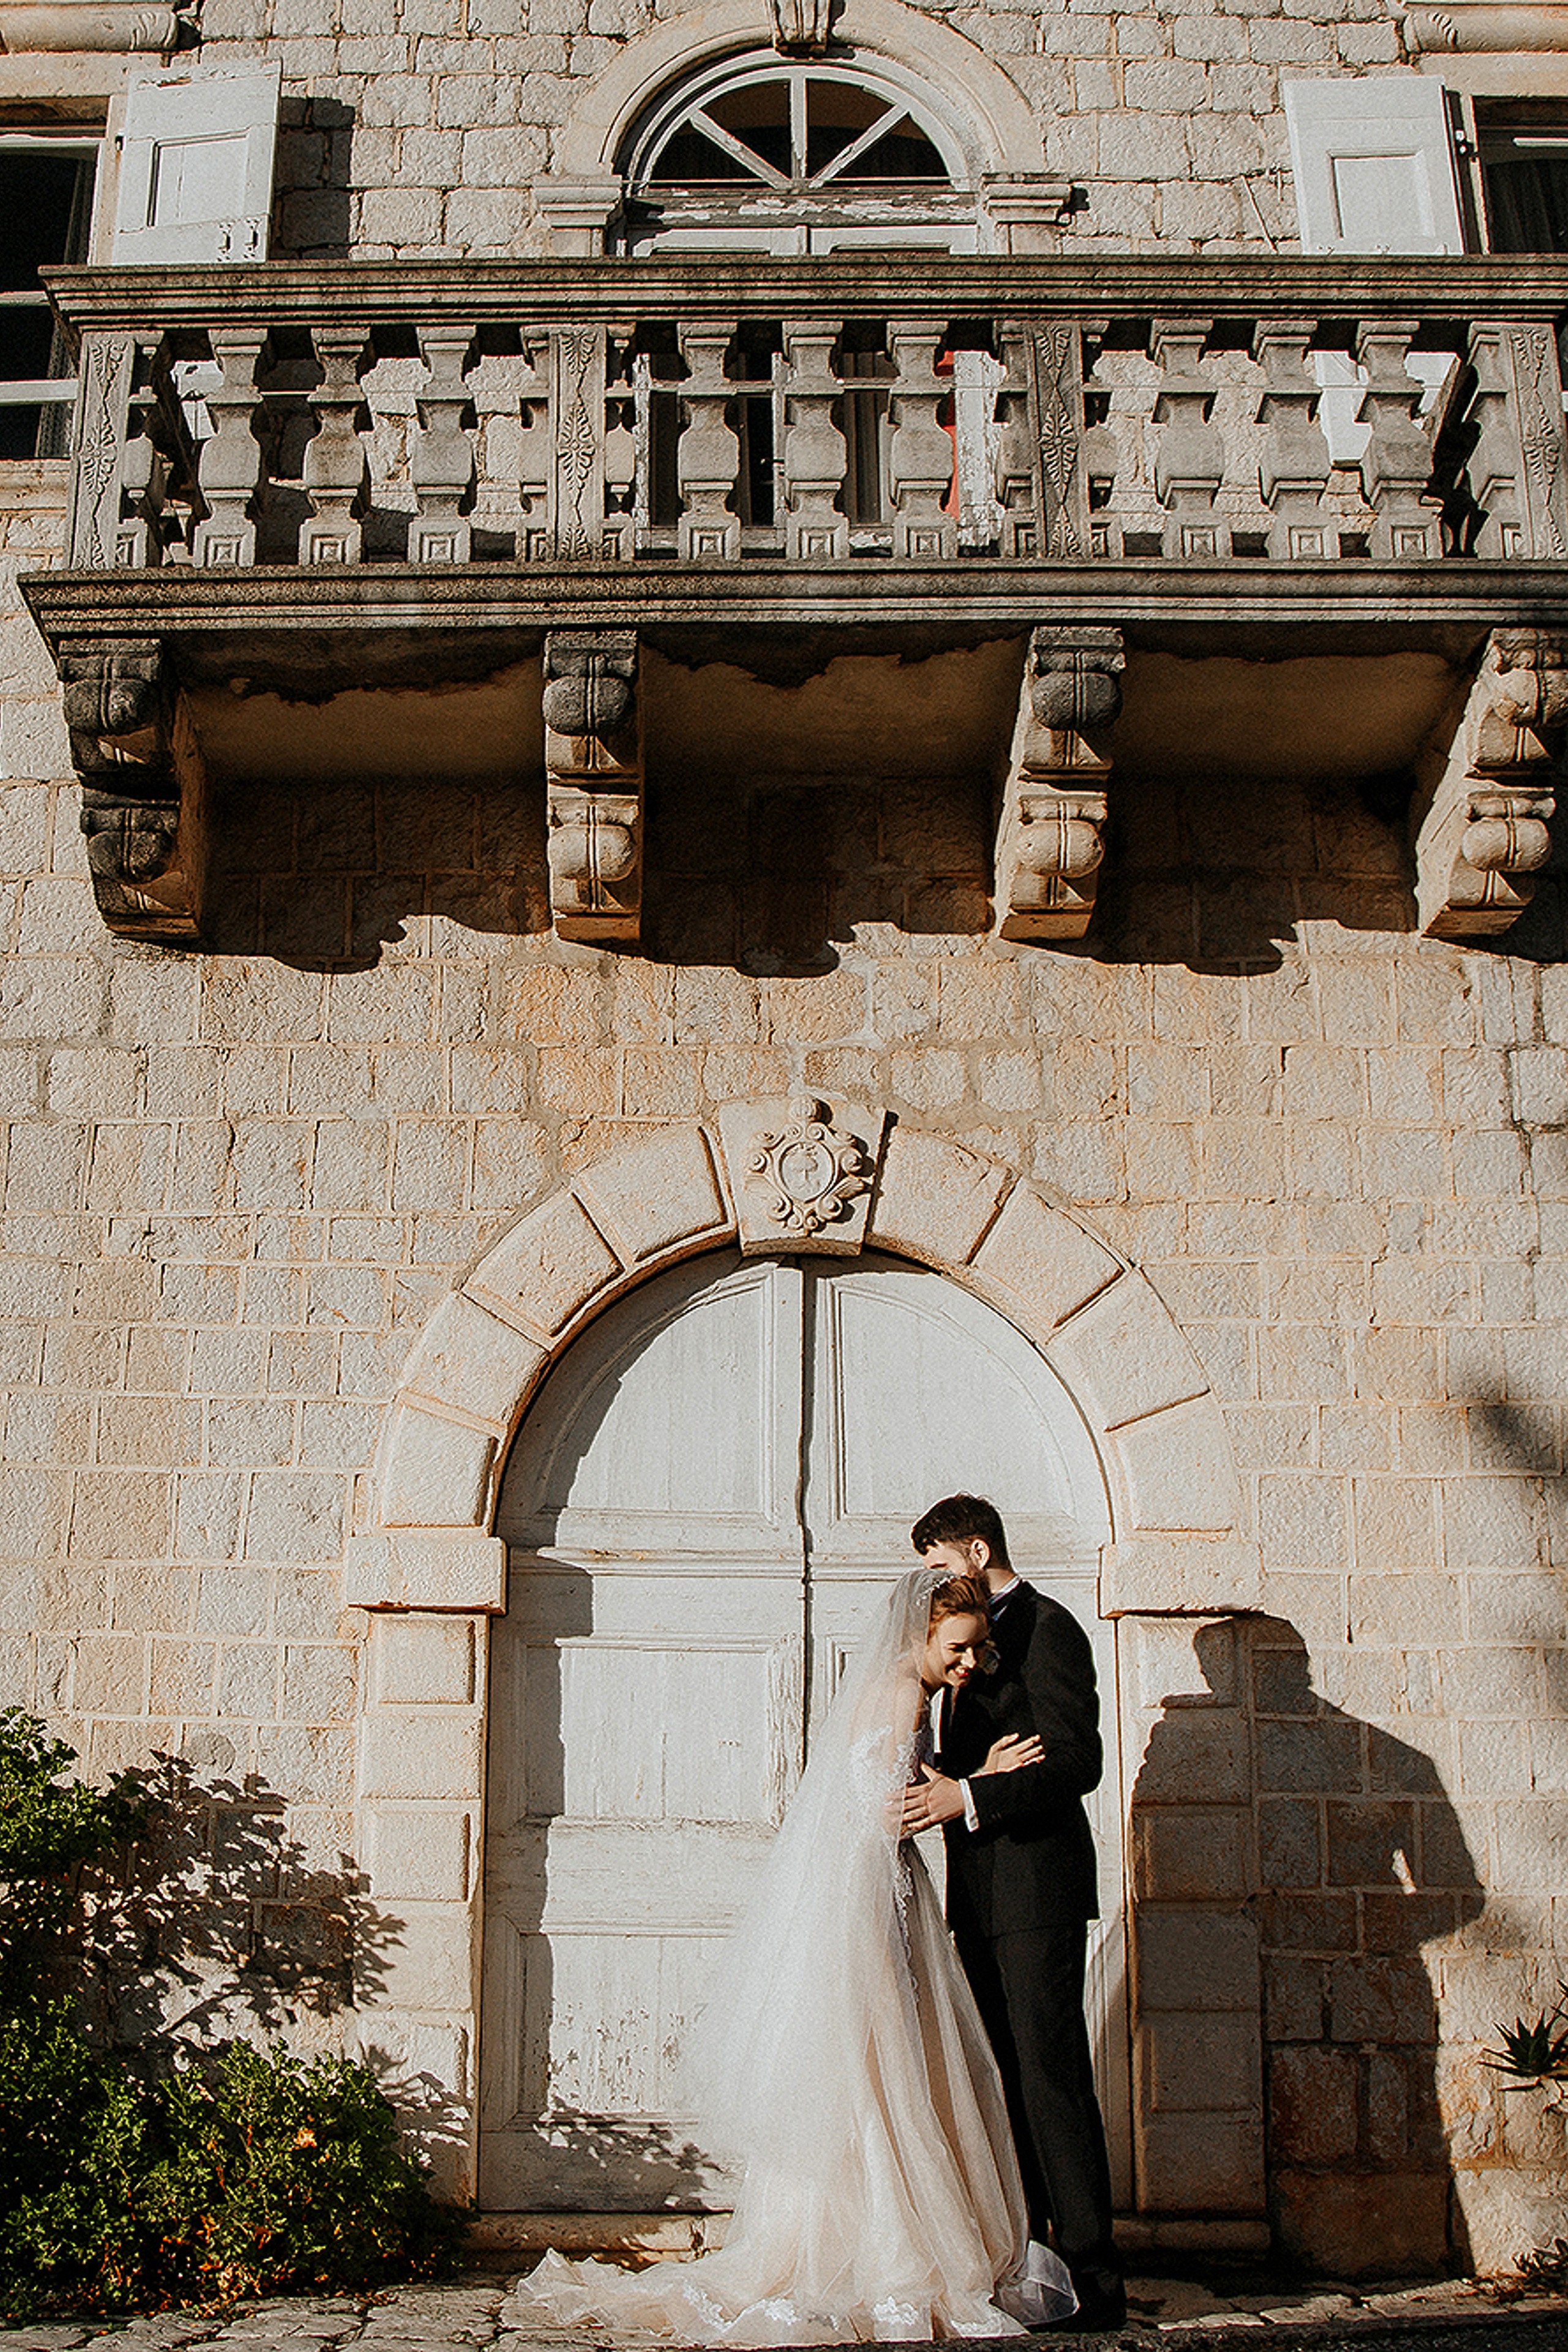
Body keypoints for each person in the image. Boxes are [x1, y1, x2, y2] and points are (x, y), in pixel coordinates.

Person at [519, 1568, 1076, 2346]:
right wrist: (981, 1778)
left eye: (977, 1648)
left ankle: (860, 2236)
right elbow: (886, 1812)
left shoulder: (896, 1685)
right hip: (873, 1896)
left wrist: (959, 1780)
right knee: (882, 2074)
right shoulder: (905, 1694)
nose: (969, 1664)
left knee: (876, 2076)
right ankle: (879, 2251)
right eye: (957, 1648)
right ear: (919, 1636)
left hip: (873, 1891)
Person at [901, 1494, 1126, 2334]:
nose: (929, 1581)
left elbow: (1077, 1759)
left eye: (938, 1564)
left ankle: (1097, 2281)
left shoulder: (1048, 1627)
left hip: (1038, 1886)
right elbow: (965, 1766)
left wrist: (975, 1791)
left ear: (977, 1547)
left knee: (1051, 2078)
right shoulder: (967, 1638)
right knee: (1006, 2082)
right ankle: (1036, 2270)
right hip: (981, 1893)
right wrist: (975, 1773)